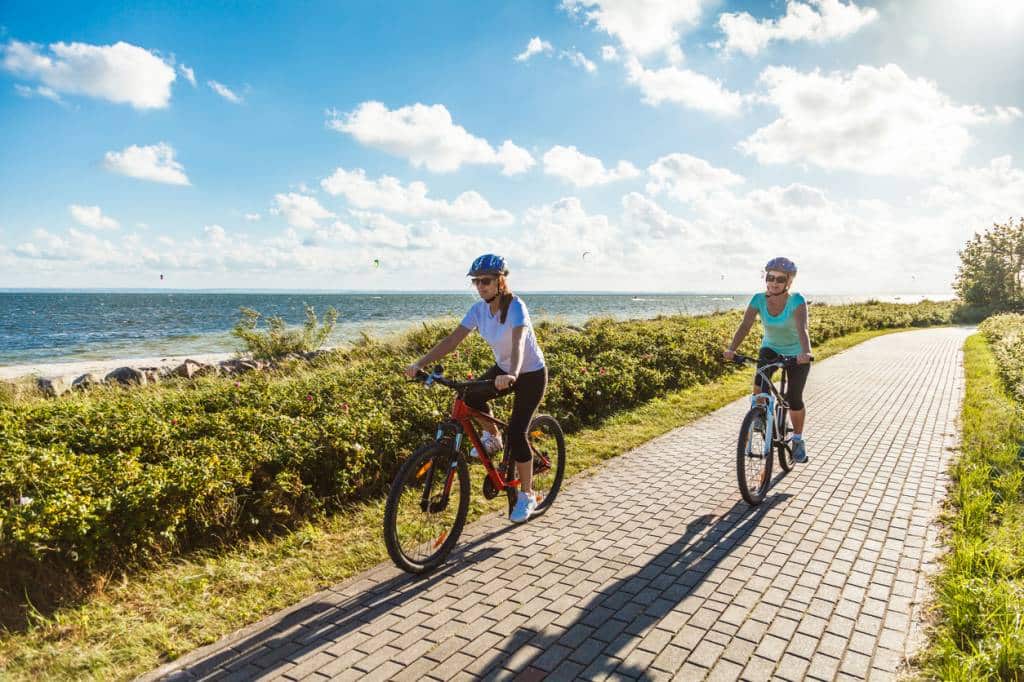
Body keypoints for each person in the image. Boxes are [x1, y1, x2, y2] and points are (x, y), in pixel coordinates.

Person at [405, 254, 548, 523]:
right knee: (467, 395)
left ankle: (527, 494)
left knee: (518, 433)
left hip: (529, 373)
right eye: (476, 282)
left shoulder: (516, 307)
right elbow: (452, 341)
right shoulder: (478, 311)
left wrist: (513, 373)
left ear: (500, 281)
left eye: (486, 281)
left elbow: (518, 343)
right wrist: (420, 363)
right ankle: (493, 437)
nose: (480, 286)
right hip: (504, 370)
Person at [723, 257, 813, 463]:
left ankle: (797, 440)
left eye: (780, 279)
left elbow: (803, 329)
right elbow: (745, 326)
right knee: (759, 386)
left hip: (797, 352)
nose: (773, 282)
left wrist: (805, 353)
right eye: (770, 277)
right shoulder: (758, 299)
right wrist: (731, 349)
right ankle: (761, 415)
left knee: (794, 398)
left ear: (789, 282)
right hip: (770, 348)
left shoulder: (797, 300)